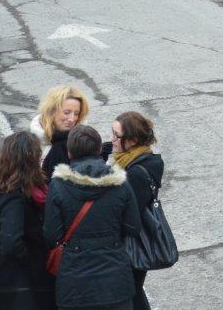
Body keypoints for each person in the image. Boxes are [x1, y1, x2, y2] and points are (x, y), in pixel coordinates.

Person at [44, 125, 141, 310]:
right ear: (98, 150)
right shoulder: (120, 183)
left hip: (75, 284)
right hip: (115, 282)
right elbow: (133, 227)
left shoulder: (58, 185)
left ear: (69, 153)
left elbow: (51, 235)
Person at [0, 131, 56, 310]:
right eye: (37, 156)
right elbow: (11, 243)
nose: (40, 160)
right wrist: (34, 258)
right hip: (19, 284)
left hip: (10, 282)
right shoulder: (14, 196)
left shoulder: (4, 186)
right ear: (28, 161)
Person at [108, 112, 164, 310]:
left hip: (132, 247)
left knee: (129, 295)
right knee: (133, 294)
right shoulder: (136, 159)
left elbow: (128, 214)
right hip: (130, 245)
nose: (112, 139)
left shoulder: (135, 173)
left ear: (132, 140)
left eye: (116, 135)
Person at [29, 85, 90, 180]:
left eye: (76, 114)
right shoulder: (31, 141)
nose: (72, 119)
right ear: (52, 111)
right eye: (66, 112)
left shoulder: (85, 140)